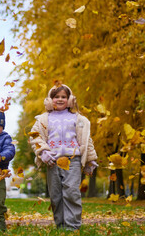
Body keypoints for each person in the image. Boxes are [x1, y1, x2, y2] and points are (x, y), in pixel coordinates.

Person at [29, 84, 98, 231]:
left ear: (70, 99)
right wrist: (43, 152)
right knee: (56, 194)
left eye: (63, 97)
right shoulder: (43, 119)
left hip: (72, 159)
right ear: (49, 100)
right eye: (56, 97)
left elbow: (86, 140)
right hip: (52, 160)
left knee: (71, 191)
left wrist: (90, 160)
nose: (60, 99)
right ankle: (61, 225)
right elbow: (35, 137)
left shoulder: (78, 119)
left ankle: (72, 226)